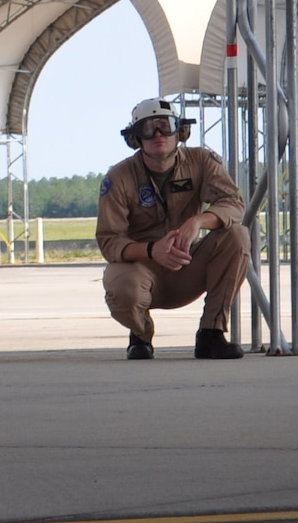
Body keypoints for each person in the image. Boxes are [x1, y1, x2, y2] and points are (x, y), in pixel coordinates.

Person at [96, 99, 249, 360]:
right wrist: (152, 251)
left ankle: (211, 333)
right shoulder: (118, 178)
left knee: (237, 236)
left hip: (188, 265)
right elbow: (109, 241)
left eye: (165, 126)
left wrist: (198, 221)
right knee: (120, 284)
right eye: (148, 129)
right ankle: (141, 334)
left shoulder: (201, 161)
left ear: (179, 131)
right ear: (135, 138)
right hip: (143, 271)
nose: (158, 135)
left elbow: (233, 203)